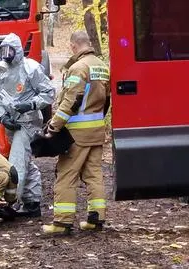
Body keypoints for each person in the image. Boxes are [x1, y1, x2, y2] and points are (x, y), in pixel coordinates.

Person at [42, 31, 110, 234]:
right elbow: (106, 101)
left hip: (76, 135)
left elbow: (69, 102)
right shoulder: (102, 66)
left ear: (73, 46)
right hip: (96, 131)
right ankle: (96, 219)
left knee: (66, 175)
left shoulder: (78, 68)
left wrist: (53, 126)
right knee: (94, 175)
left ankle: (62, 222)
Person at [0, 33, 55, 217]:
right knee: (26, 162)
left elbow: (48, 92)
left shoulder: (31, 68)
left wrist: (31, 104)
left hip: (28, 122)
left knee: (17, 162)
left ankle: (12, 203)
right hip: (13, 123)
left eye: (9, 50)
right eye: (3, 50)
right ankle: (32, 203)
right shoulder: (2, 71)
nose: (6, 54)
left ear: (17, 50)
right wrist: (2, 117)